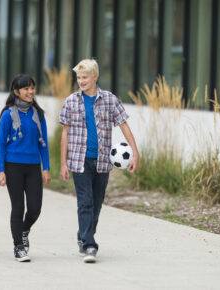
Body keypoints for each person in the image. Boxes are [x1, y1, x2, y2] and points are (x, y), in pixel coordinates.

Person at [59, 59, 139, 263]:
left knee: (96, 204)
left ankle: (83, 235)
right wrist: (63, 163)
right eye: (78, 77)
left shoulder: (110, 100)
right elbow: (65, 133)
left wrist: (135, 152)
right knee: (85, 202)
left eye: (85, 77)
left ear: (95, 77)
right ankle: (89, 245)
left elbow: (124, 125)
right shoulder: (71, 101)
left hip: (103, 161)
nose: (81, 81)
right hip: (79, 160)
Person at [0, 74, 51, 262]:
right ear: (16, 92)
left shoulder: (39, 115)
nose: (30, 92)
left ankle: (24, 230)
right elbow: (1, 145)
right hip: (13, 167)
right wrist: (1, 170)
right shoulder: (7, 115)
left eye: (32, 88)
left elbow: (43, 144)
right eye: (26, 88)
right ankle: (19, 247)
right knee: (18, 207)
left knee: (35, 209)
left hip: (34, 167)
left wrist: (46, 168)